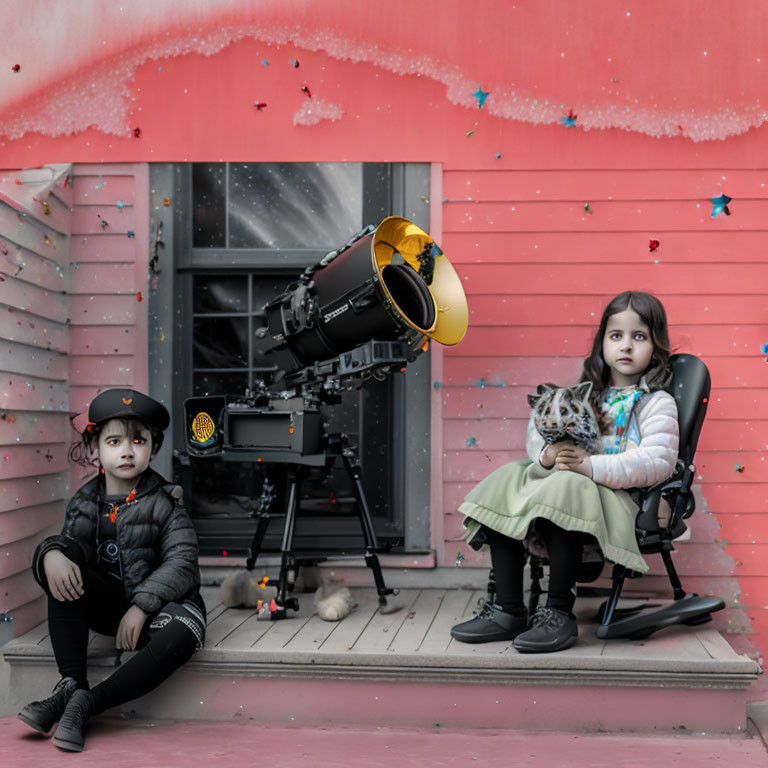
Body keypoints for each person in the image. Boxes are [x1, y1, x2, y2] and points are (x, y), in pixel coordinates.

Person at [450, 291, 679, 653]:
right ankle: (507, 608)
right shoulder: (584, 395)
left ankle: (557, 612)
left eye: (640, 336)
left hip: (621, 502)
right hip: (570, 488)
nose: (626, 346)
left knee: (568, 487)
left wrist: (590, 466)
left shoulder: (655, 403)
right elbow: (536, 428)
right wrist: (546, 456)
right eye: (616, 335)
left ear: (657, 345)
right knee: (507, 480)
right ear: (601, 342)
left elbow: (657, 461)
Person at [17, 389, 206, 752]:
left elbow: (182, 561)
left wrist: (143, 605)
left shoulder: (165, 501)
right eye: (114, 440)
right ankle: (71, 683)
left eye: (138, 440)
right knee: (62, 555)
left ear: (153, 446)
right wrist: (51, 553)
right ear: (95, 448)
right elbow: (73, 553)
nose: (127, 451)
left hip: (165, 605)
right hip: (111, 604)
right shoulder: (85, 502)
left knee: (184, 634)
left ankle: (89, 703)